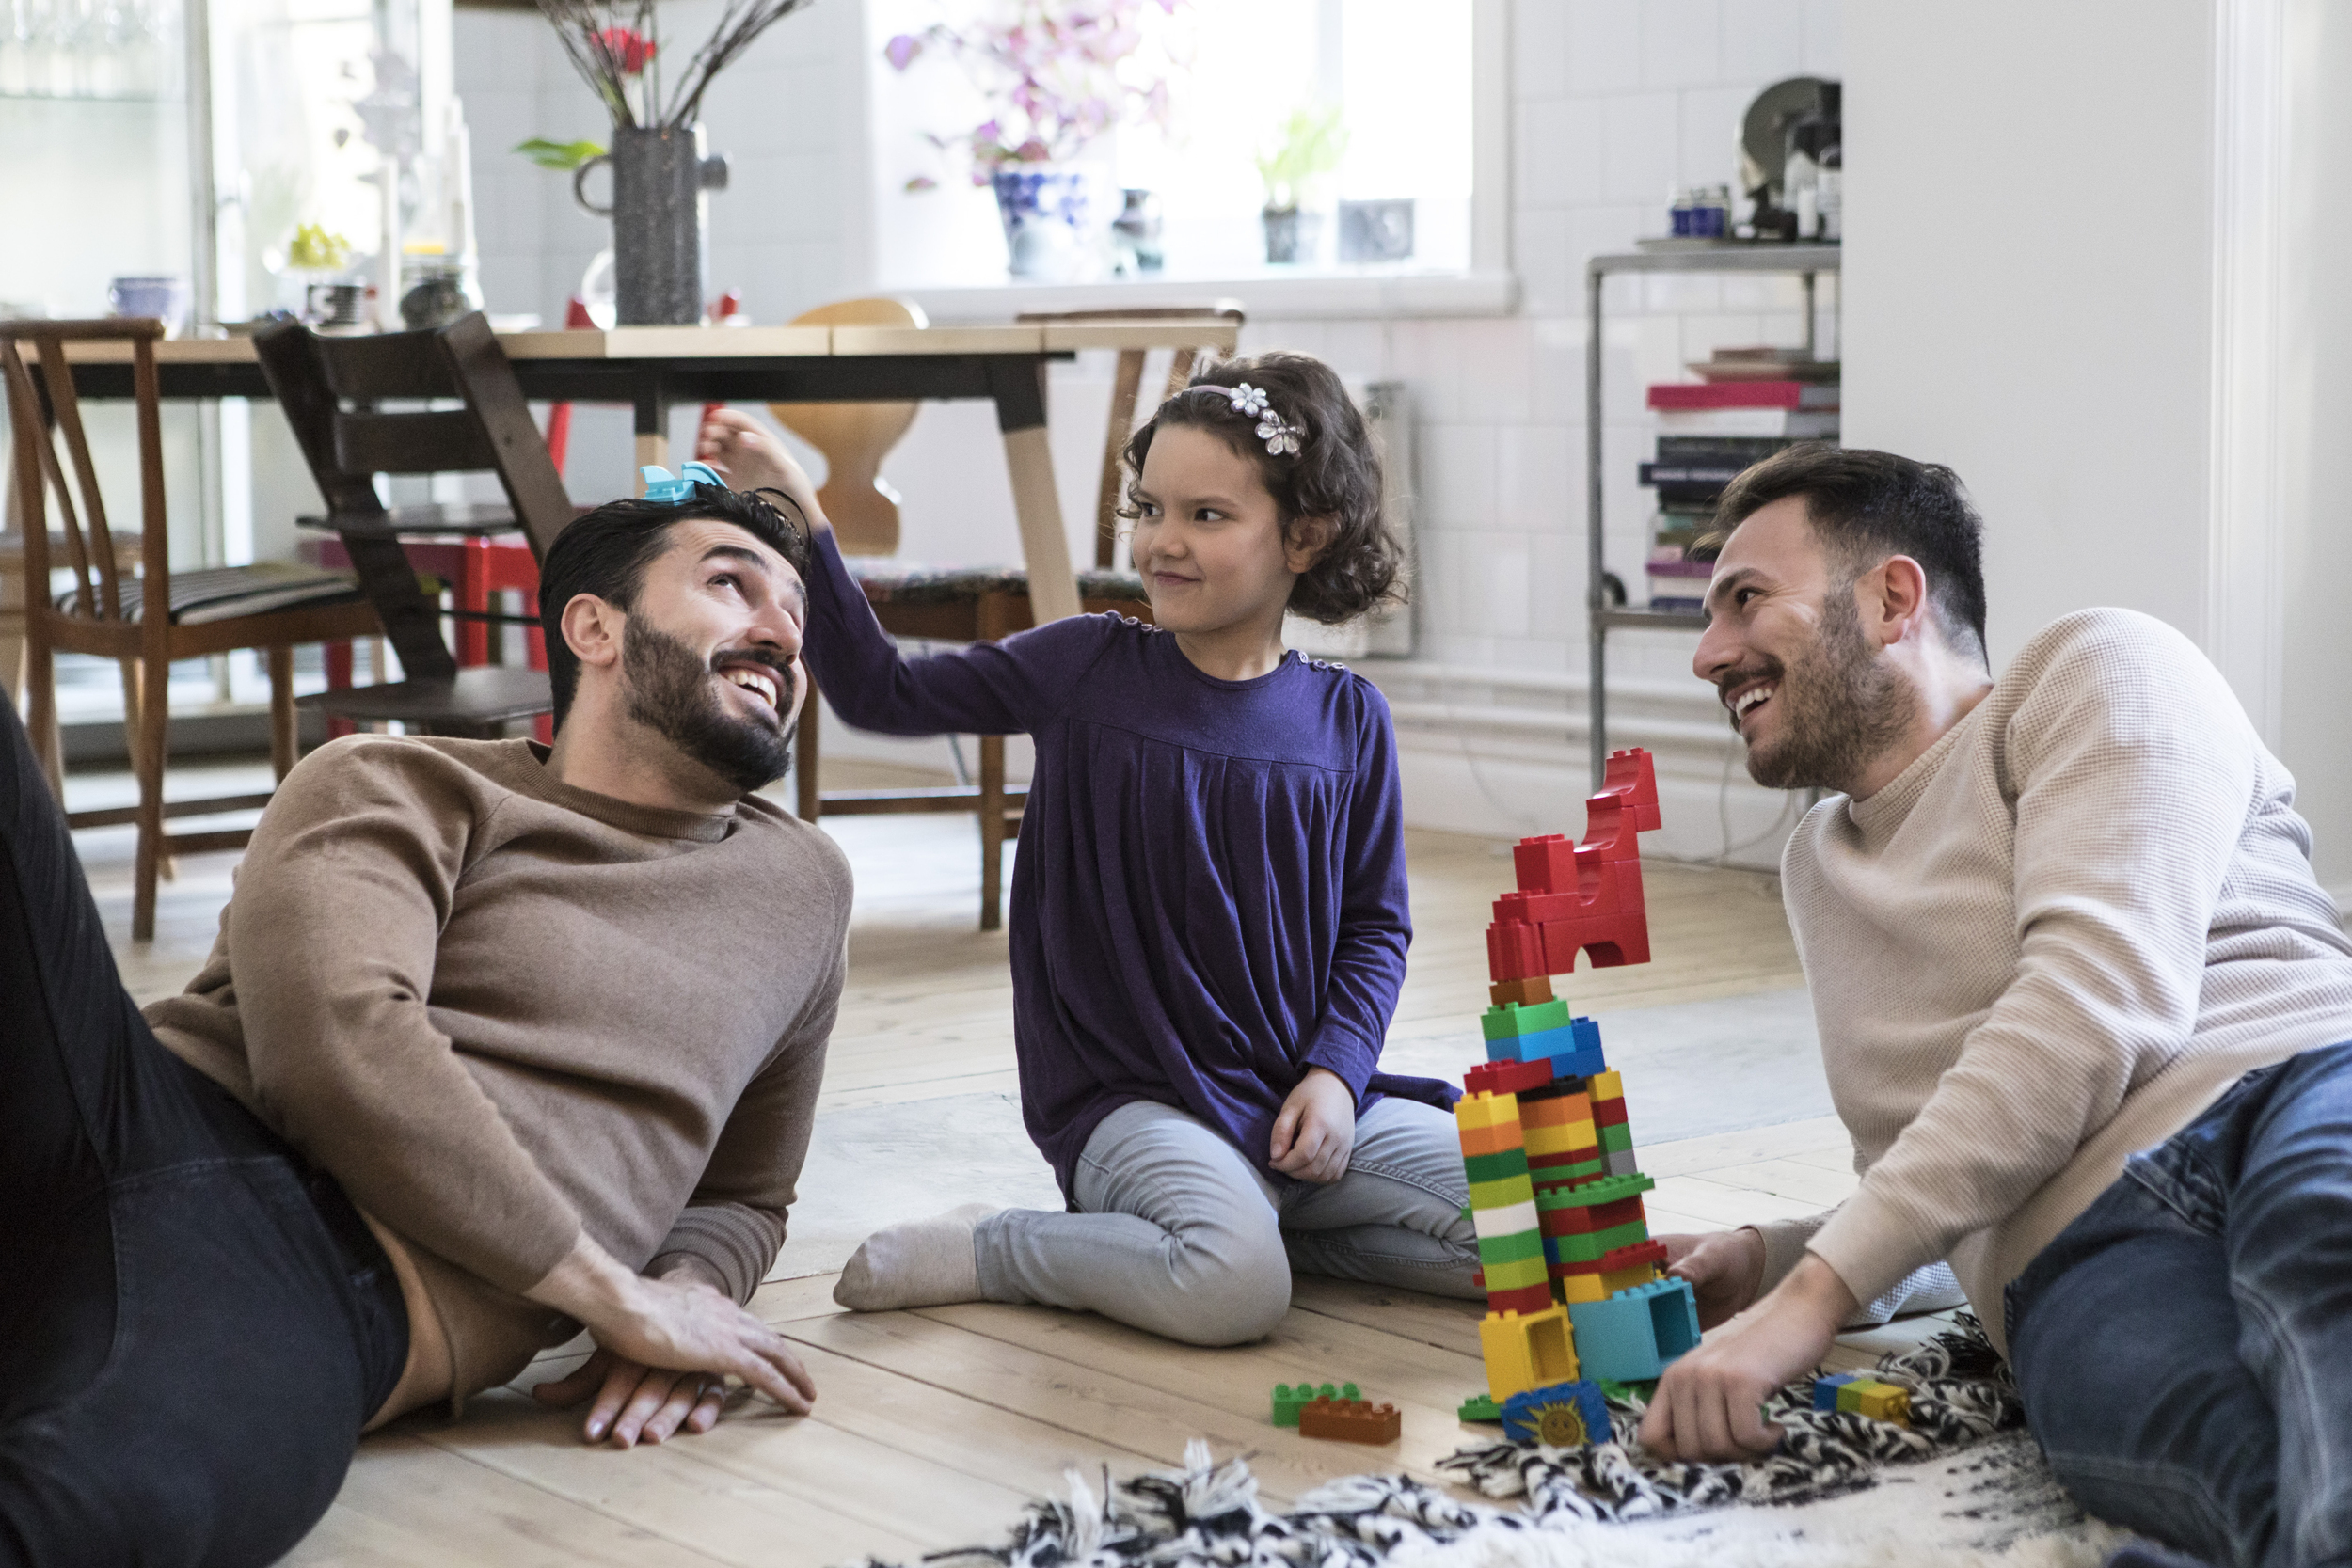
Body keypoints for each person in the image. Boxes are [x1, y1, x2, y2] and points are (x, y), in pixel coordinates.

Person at [0, 481, 850, 1567]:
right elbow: (335, 1035)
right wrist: (609, 1292)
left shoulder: (804, 888)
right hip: (131, 1114)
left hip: (329, 1288)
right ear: (595, 626)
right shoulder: (396, 777)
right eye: (731, 583)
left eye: (797, 616)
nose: (780, 630)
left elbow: (742, 1189)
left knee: (82, 1523)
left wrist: (692, 1295)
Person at [1642, 444, 2352, 1568]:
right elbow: (1954, 1164)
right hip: (2077, 1253)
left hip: (2282, 1091)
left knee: (2326, 1248)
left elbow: (2093, 1004)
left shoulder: (2097, 664)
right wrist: (1779, 1254)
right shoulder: (1818, 869)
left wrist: (1815, 1298)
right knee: (2220, 1454)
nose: (1707, 654)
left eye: (1744, 601)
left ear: (1890, 597)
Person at [695, 352, 1477, 1347]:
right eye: (1149, 509)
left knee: (1538, 1220)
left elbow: (1376, 929)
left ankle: (1263, 1230)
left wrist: (1332, 1072)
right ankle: (1000, 1246)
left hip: (1303, 1101)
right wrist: (806, 521)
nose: (1163, 542)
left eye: (1206, 515)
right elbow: (884, 692)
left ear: (1306, 535)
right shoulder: (1083, 665)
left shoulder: (1349, 719)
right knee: (1235, 1292)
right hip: (1136, 1102)